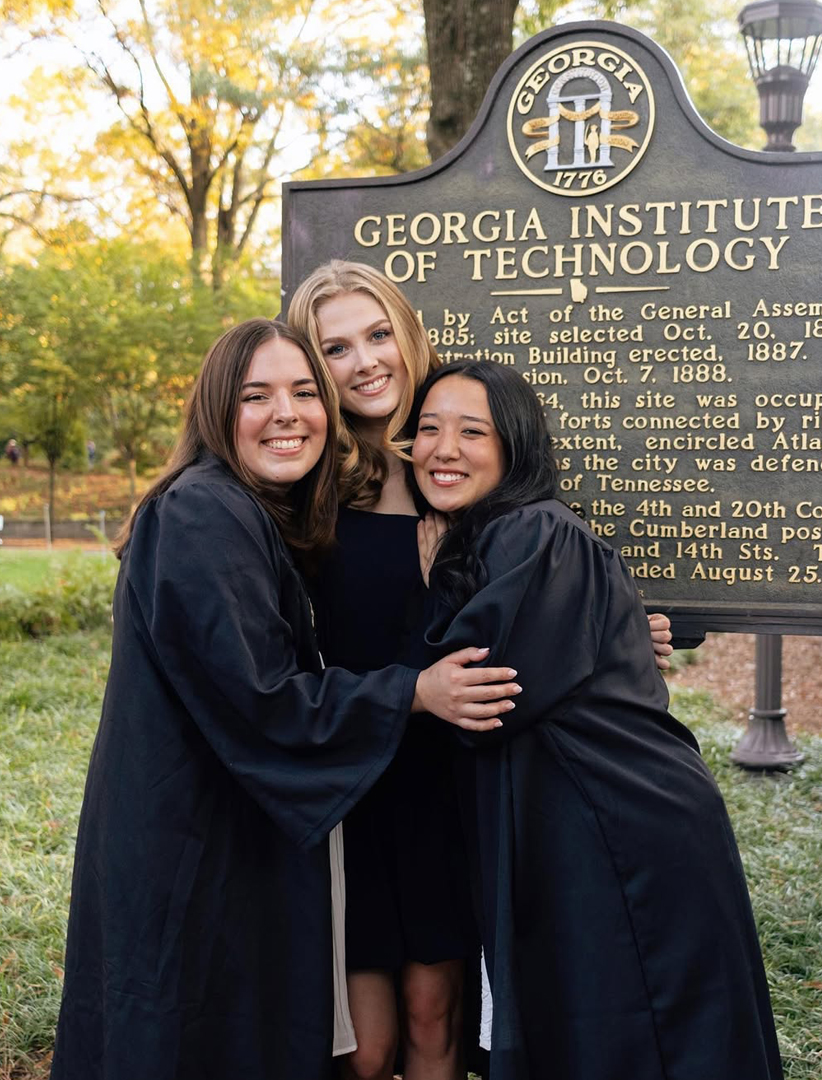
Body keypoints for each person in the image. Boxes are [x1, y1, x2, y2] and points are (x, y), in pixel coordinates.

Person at [49, 319, 520, 1080]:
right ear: (213, 410)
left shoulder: (245, 510)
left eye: (304, 392)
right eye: (255, 395)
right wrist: (415, 691)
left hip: (223, 825)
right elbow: (262, 696)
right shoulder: (203, 512)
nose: (287, 413)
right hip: (191, 838)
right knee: (186, 1028)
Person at [288, 261, 674, 1080]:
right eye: (335, 347)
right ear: (313, 366)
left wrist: (615, 635)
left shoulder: (460, 479)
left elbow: (534, 608)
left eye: (378, 333)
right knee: (365, 1046)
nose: (365, 361)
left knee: (436, 1021)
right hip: (349, 779)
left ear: (407, 333)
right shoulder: (303, 489)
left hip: (451, 781)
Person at [409, 360, 784, 1080]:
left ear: (514, 446)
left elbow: (482, 696)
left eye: (471, 431)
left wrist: (431, 586)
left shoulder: (531, 534)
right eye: (427, 429)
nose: (443, 448)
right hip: (592, 826)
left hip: (623, 834)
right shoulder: (500, 536)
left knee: (644, 1038)